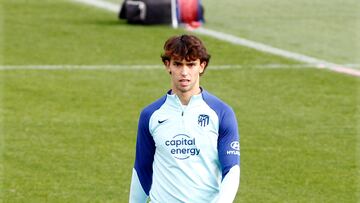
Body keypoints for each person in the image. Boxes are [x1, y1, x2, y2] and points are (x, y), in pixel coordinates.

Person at [129, 34, 240, 203]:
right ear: (168, 66)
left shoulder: (221, 113)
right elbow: (141, 171)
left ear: (202, 66)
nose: (184, 72)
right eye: (178, 64)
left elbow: (231, 170)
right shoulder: (150, 115)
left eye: (191, 64)